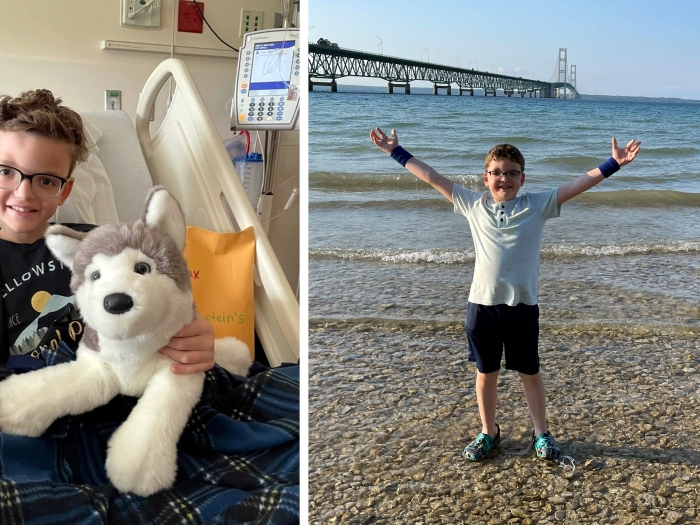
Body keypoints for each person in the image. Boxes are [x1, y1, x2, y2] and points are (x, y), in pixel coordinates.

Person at [369, 126, 641, 461]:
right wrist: (396, 152)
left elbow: (577, 184)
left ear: (522, 179)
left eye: (512, 173)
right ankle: (488, 431)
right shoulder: (472, 204)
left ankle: (541, 433)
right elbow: (432, 177)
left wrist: (612, 164)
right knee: (486, 374)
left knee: (530, 373)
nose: (504, 178)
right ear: (485, 178)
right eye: (496, 173)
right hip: (482, 307)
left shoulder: (537, 205)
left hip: (522, 307)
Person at [0, 89, 214, 373]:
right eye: (6, 172)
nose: (24, 193)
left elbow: (171, 310)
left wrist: (194, 339)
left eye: (47, 181)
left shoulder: (105, 244)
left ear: (65, 192)